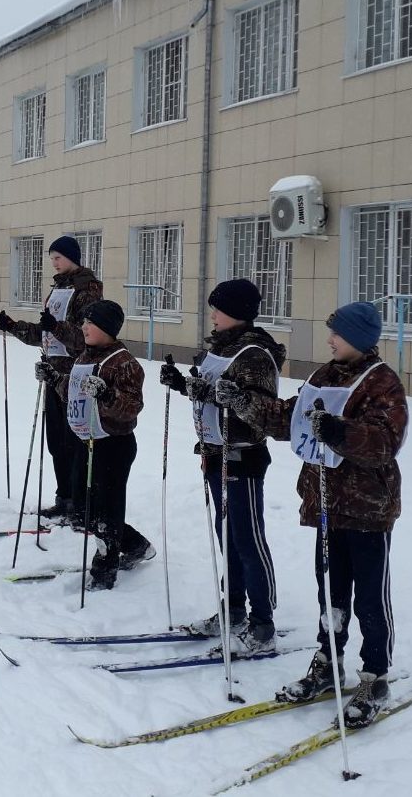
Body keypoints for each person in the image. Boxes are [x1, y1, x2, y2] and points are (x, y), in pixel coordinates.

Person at [215, 301, 408, 728]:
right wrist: (243, 402)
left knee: (370, 597)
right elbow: (288, 419)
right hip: (325, 503)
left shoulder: (381, 383)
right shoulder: (323, 375)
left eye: (336, 333)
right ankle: (328, 660)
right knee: (330, 590)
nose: (329, 340)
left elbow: (384, 442)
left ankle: (375, 675)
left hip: (367, 507)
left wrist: (341, 431)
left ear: (357, 337)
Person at [160, 278, 285, 654]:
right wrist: (184, 385)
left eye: (218, 308)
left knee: (247, 540)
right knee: (227, 538)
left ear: (236, 313)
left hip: (242, 459)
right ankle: (233, 611)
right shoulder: (223, 350)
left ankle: (263, 623)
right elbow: (214, 393)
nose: (212, 314)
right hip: (215, 455)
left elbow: (260, 413)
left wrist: (213, 393)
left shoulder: (254, 355)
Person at [35, 300, 154, 590]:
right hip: (85, 442)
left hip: (113, 445)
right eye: (85, 322)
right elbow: (74, 389)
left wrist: (107, 395)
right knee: (83, 510)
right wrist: (54, 379)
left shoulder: (124, 362)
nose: (84, 327)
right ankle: (136, 544)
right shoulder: (84, 356)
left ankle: (105, 570)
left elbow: (132, 407)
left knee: (106, 513)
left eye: (91, 323)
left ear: (108, 329)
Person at [0, 236, 102, 520]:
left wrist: (56, 327)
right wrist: (14, 327)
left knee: (74, 441)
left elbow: (85, 338)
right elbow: (46, 333)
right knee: (56, 441)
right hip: (52, 373)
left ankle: (80, 502)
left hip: (75, 376)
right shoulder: (58, 288)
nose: (54, 263)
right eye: (52, 258)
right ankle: (64, 497)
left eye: (58, 258)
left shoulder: (87, 290)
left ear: (72, 258)